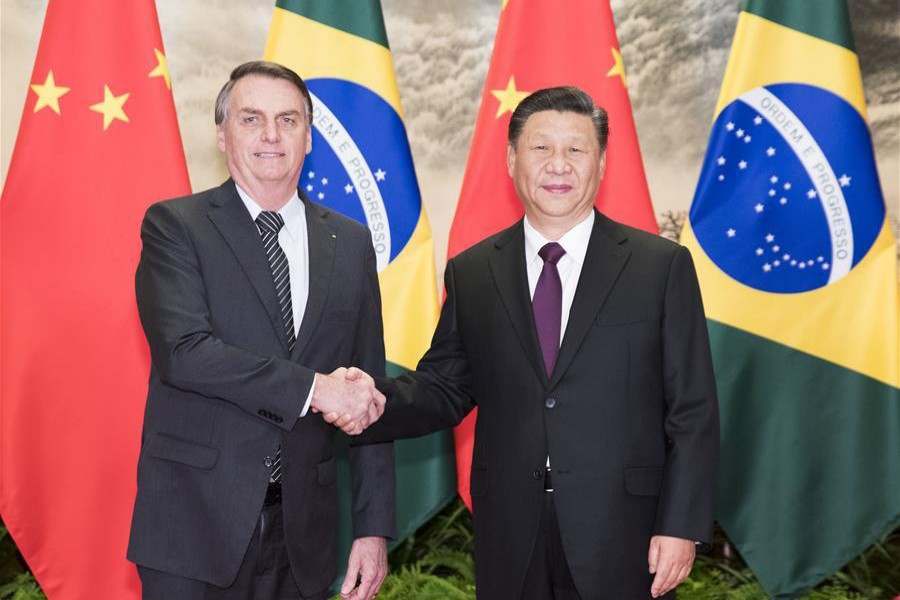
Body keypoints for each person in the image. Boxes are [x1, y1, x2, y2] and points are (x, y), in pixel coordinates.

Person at [338, 86, 720, 599]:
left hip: (625, 533)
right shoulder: (473, 272)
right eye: (541, 148)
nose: (558, 165)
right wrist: (372, 399)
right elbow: (445, 387)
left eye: (576, 150)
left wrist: (681, 525)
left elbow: (693, 410)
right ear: (512, 159)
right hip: (510, 534)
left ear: (602, 163)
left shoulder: (659, 267)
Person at [127, 61, 394, 600]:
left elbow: (366, 389)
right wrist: (317, 389)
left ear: (309, 137)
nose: (271, 135)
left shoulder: (352, 244)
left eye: (288, 120)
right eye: (252, 119)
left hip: (306, 533)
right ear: (223, 136)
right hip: (193, 529)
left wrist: (372, 527)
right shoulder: (176, 226)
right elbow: (186, 353)